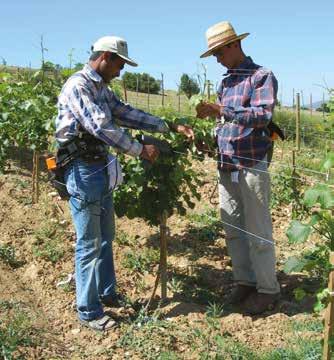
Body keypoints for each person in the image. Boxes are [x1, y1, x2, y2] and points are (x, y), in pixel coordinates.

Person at [55, 35, 194, 331]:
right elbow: (100, 126)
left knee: (105, 238)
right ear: (105, 57)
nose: (122, 70)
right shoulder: (78, 85)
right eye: (120, 64)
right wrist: (140, 150)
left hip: (99, 167)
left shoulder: (102, 89)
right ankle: (89, 310)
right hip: (82, 170)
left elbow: (126, 114)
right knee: (89, 243)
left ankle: (106, 292)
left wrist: (167, 125)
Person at [196, 21, 280, 314]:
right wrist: (209, 141)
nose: (217, 58)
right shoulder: (225, 82)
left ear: (234, 45)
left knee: (258, 230)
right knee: (232, 227)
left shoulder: (261, 77)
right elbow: (223, 124)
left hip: (251, 163)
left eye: (219, 52)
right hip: (226, 164)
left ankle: (268, 289)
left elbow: (261, 116)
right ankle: (244, 281)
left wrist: (222, 110)